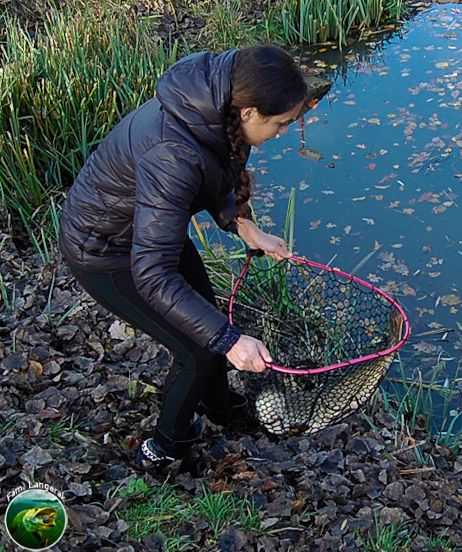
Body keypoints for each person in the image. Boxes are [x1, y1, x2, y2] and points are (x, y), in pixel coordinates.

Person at [59, 44, 309, 470]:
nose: (284, 132)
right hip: (106, 251)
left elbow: (214, 171)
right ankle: (164, 448)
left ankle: (219, 406)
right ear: (248, 112)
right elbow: (153, 274)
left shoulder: (216, 109)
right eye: (282, 123)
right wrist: (230, 341)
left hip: (149, 234)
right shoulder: (172, 154)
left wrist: (245, 226)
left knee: (207, 323)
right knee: (200, 348)